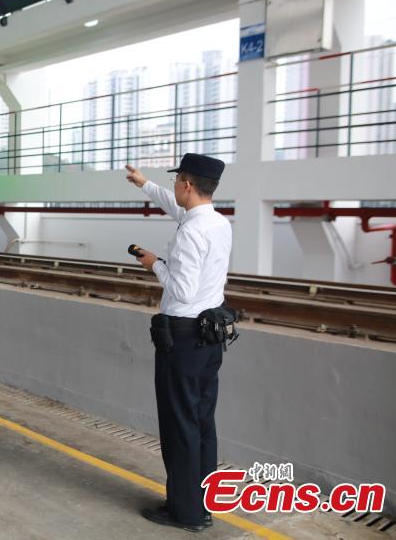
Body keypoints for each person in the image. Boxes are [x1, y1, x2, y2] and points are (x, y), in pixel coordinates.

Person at [124, 153, 232, 532]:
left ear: (187, 184)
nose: (174, 188)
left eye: (175, 182)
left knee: (178, 425)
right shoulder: (218, 223)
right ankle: (201, 504)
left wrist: (153, 262)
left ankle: (183, 512)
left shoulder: (190, 231)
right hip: (210, 338)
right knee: (202, 422)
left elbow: (181, 291)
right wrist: (145, 185)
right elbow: (178, 208)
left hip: (183, 338)